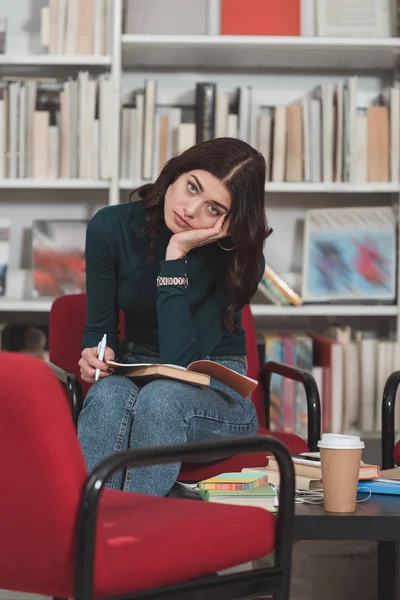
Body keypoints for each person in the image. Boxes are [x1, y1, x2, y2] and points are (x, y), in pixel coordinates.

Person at [77, 137, 271, 497]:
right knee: (107, 397)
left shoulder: (241, 259)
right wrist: (95, 356)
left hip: (215, 384)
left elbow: (181, 364)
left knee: (163, 399)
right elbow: (100, 329)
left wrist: (176, 254)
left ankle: (133, 535)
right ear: (177, 172)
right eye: (191, 187)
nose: (191, 209)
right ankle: (90, 534)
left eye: (213, 209)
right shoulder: (110, 227)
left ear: (230, 221)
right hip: (135, 369)